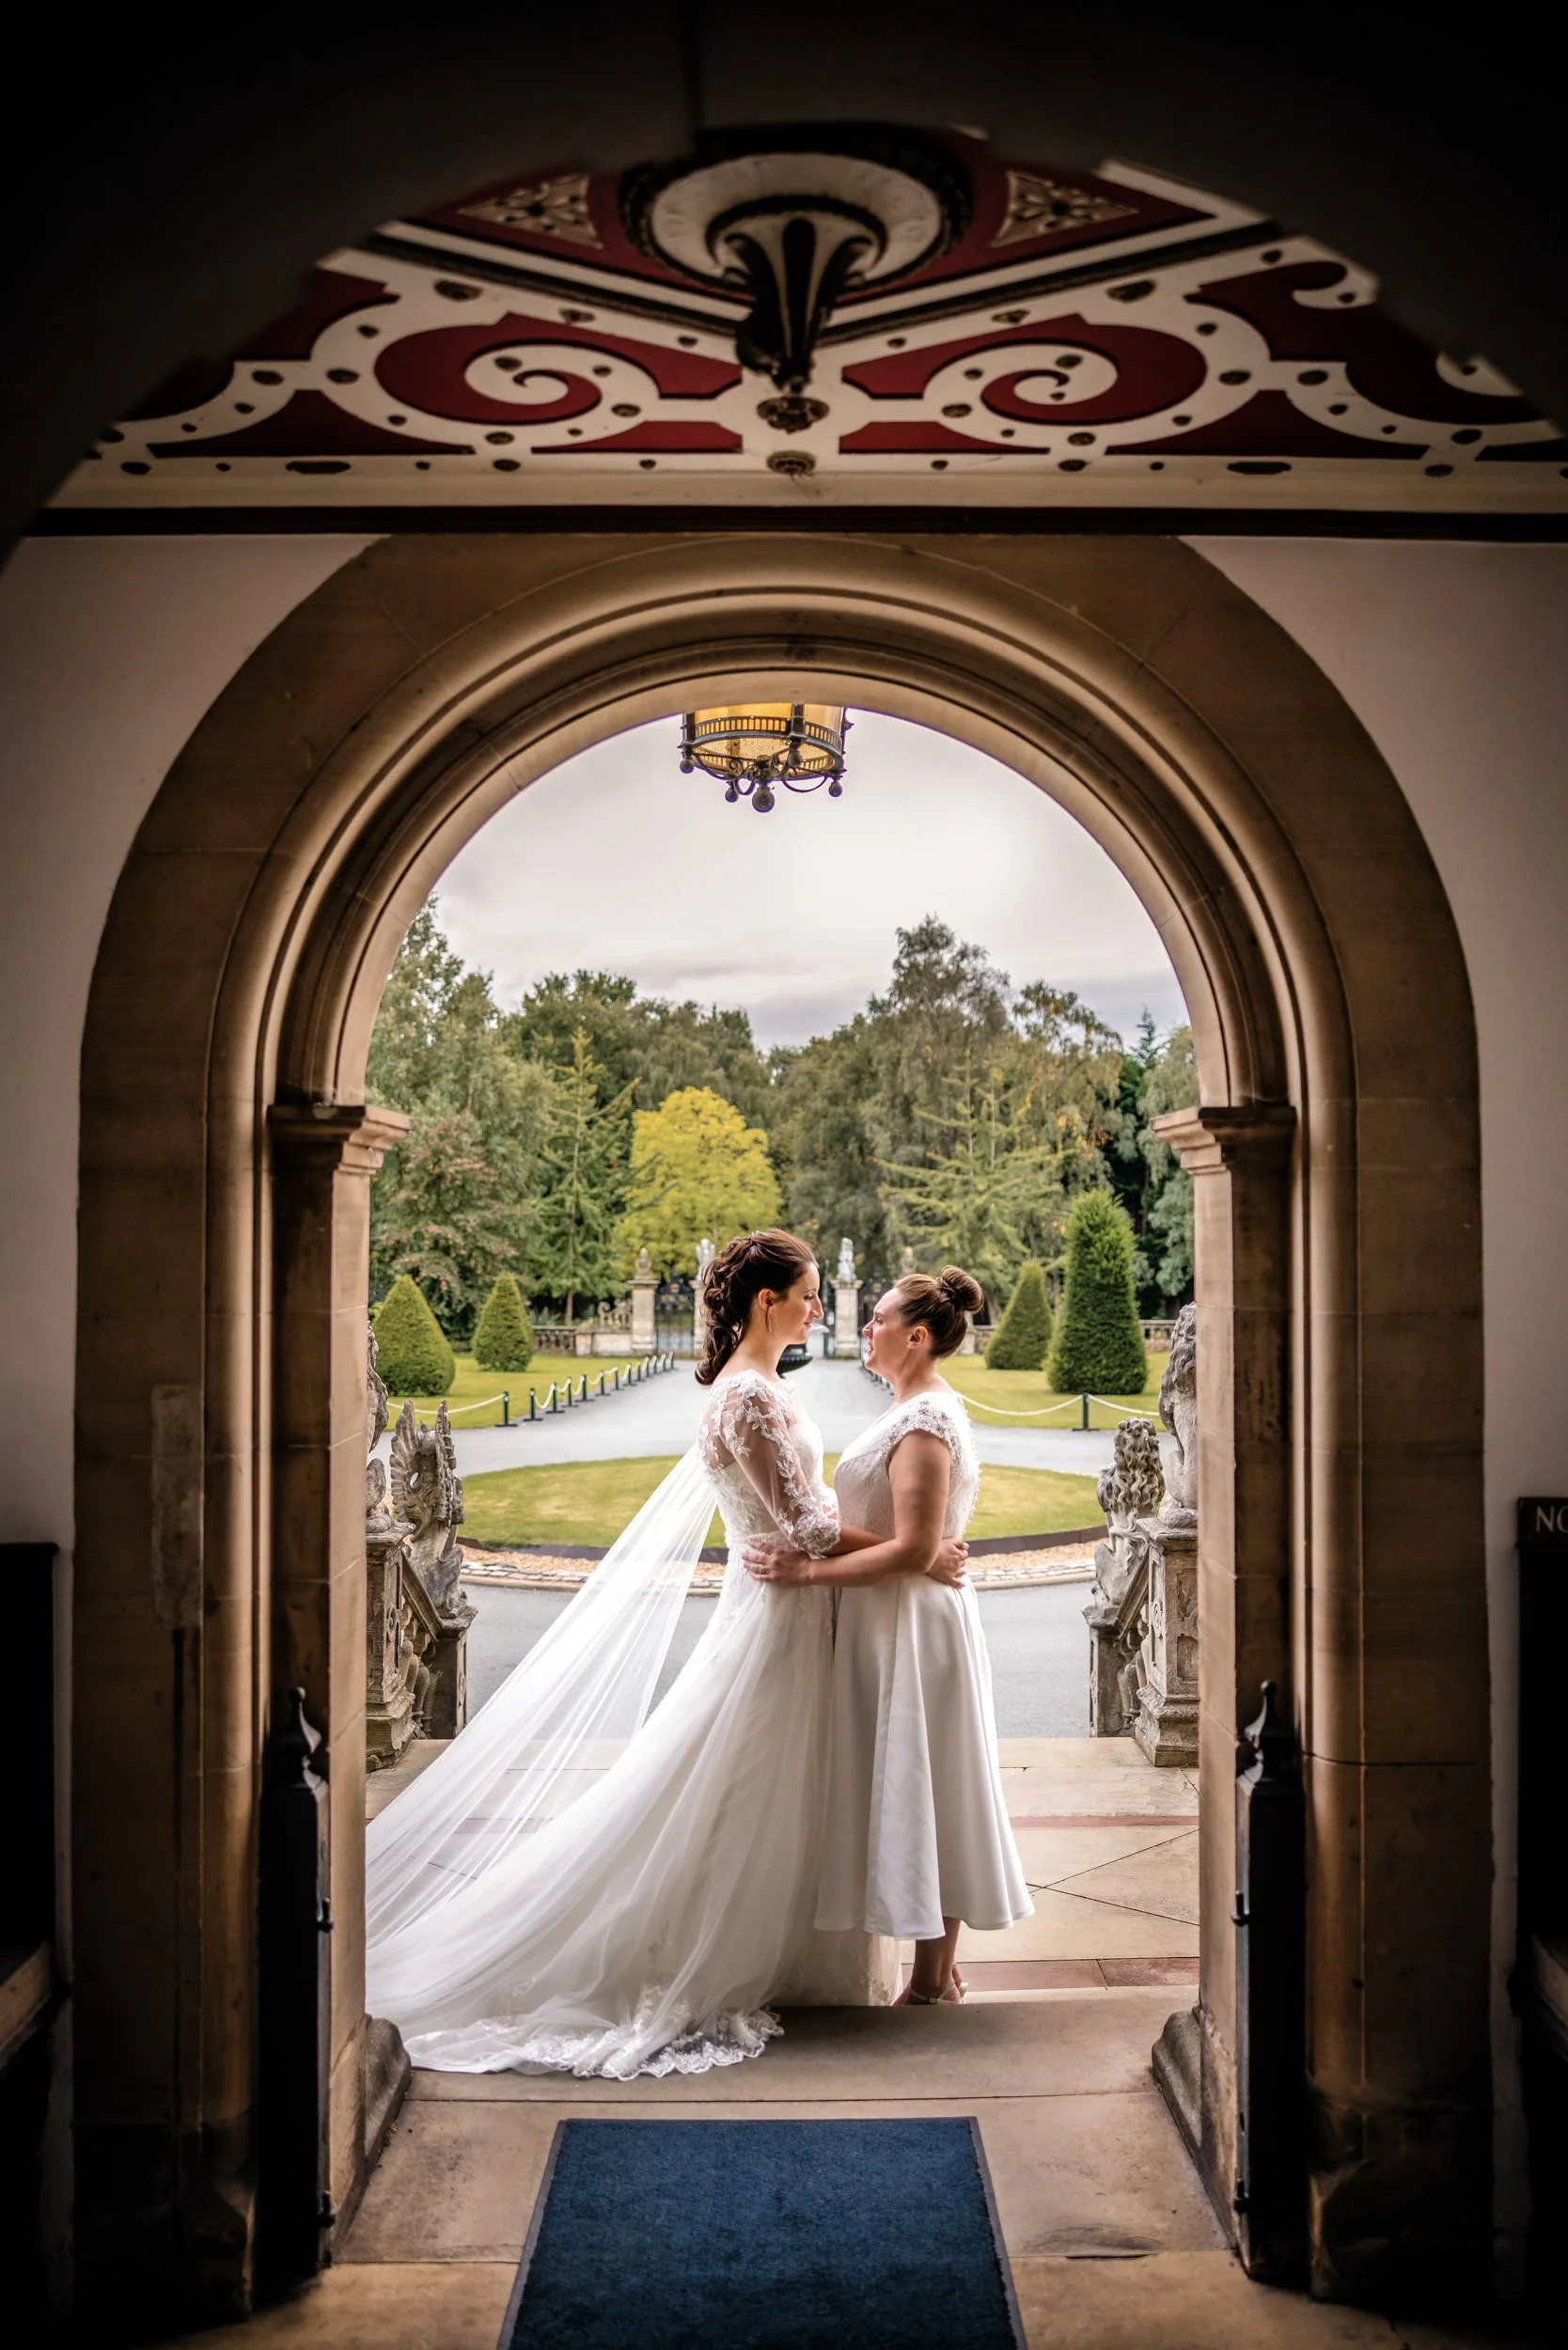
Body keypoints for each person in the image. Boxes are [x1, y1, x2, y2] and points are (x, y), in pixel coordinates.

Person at [364, 1229, 967, 2079]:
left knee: (783, 1789)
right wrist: (923, 1547)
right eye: (808, 1294)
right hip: (777, 1617)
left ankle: (802, 1962)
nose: (819, 1308)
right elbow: (810, 1527)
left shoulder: (758, 1385)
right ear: (769, 1303)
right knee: (742, 1785)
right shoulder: (747, 1397)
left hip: (795, 1610)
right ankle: (713, 1953)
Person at [745, 1266, 1031, 2004]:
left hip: (910, 1622)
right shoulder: (910, 1406)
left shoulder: (926, 1422)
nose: (864, 1328)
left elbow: (915, 1549)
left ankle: (933, 1981)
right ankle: (937, 1971)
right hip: (886, 1618)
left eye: (876, 1319)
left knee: (931, 1785)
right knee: (912, 1783)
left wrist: (802, 1574)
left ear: (918, 1336)